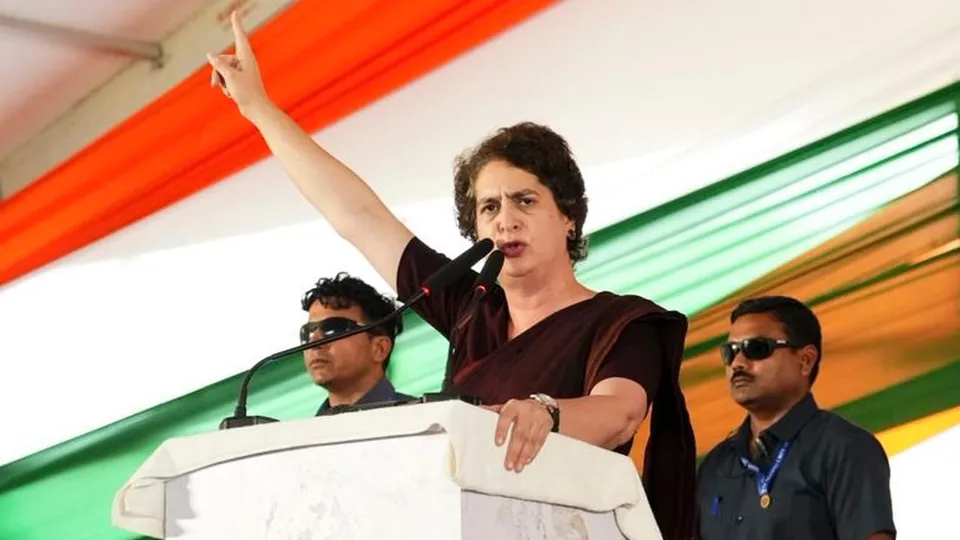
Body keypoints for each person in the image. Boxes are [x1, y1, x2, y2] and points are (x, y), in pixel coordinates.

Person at [207, 12, 697, 539]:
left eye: (525, 201)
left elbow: (618, 412)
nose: (505, 218)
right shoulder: (470, 304)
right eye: (488, 208)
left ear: (568, 215)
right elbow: (357, 216)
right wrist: (257, 108)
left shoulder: (621, 322)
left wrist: (547, 414)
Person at [696, 296, 896, 540]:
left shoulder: (844, 448)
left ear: (805, 360)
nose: (737, 363)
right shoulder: (716, 466)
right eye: (730, 352)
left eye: (756, 348)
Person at [300, 272, 412, 413]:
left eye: (333, 328)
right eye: (307, 332)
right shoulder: (302, 433)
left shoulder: (426, 420)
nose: (314, 342)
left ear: (379, 348)